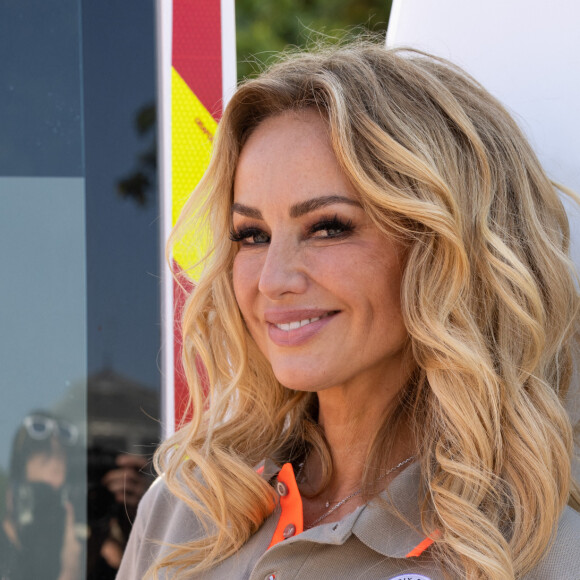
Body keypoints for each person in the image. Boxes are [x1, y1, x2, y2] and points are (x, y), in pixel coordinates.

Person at [117, 41, 580, 579]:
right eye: (252, 235)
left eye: (329, 227)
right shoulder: (188, 508)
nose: (273, 280)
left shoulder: (535, 548)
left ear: (442, 249)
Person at [1, 412, 82, 580]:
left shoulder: (78, 549)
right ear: (13, 494)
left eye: (57, 499)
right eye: (42, 495)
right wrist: (69, 573)